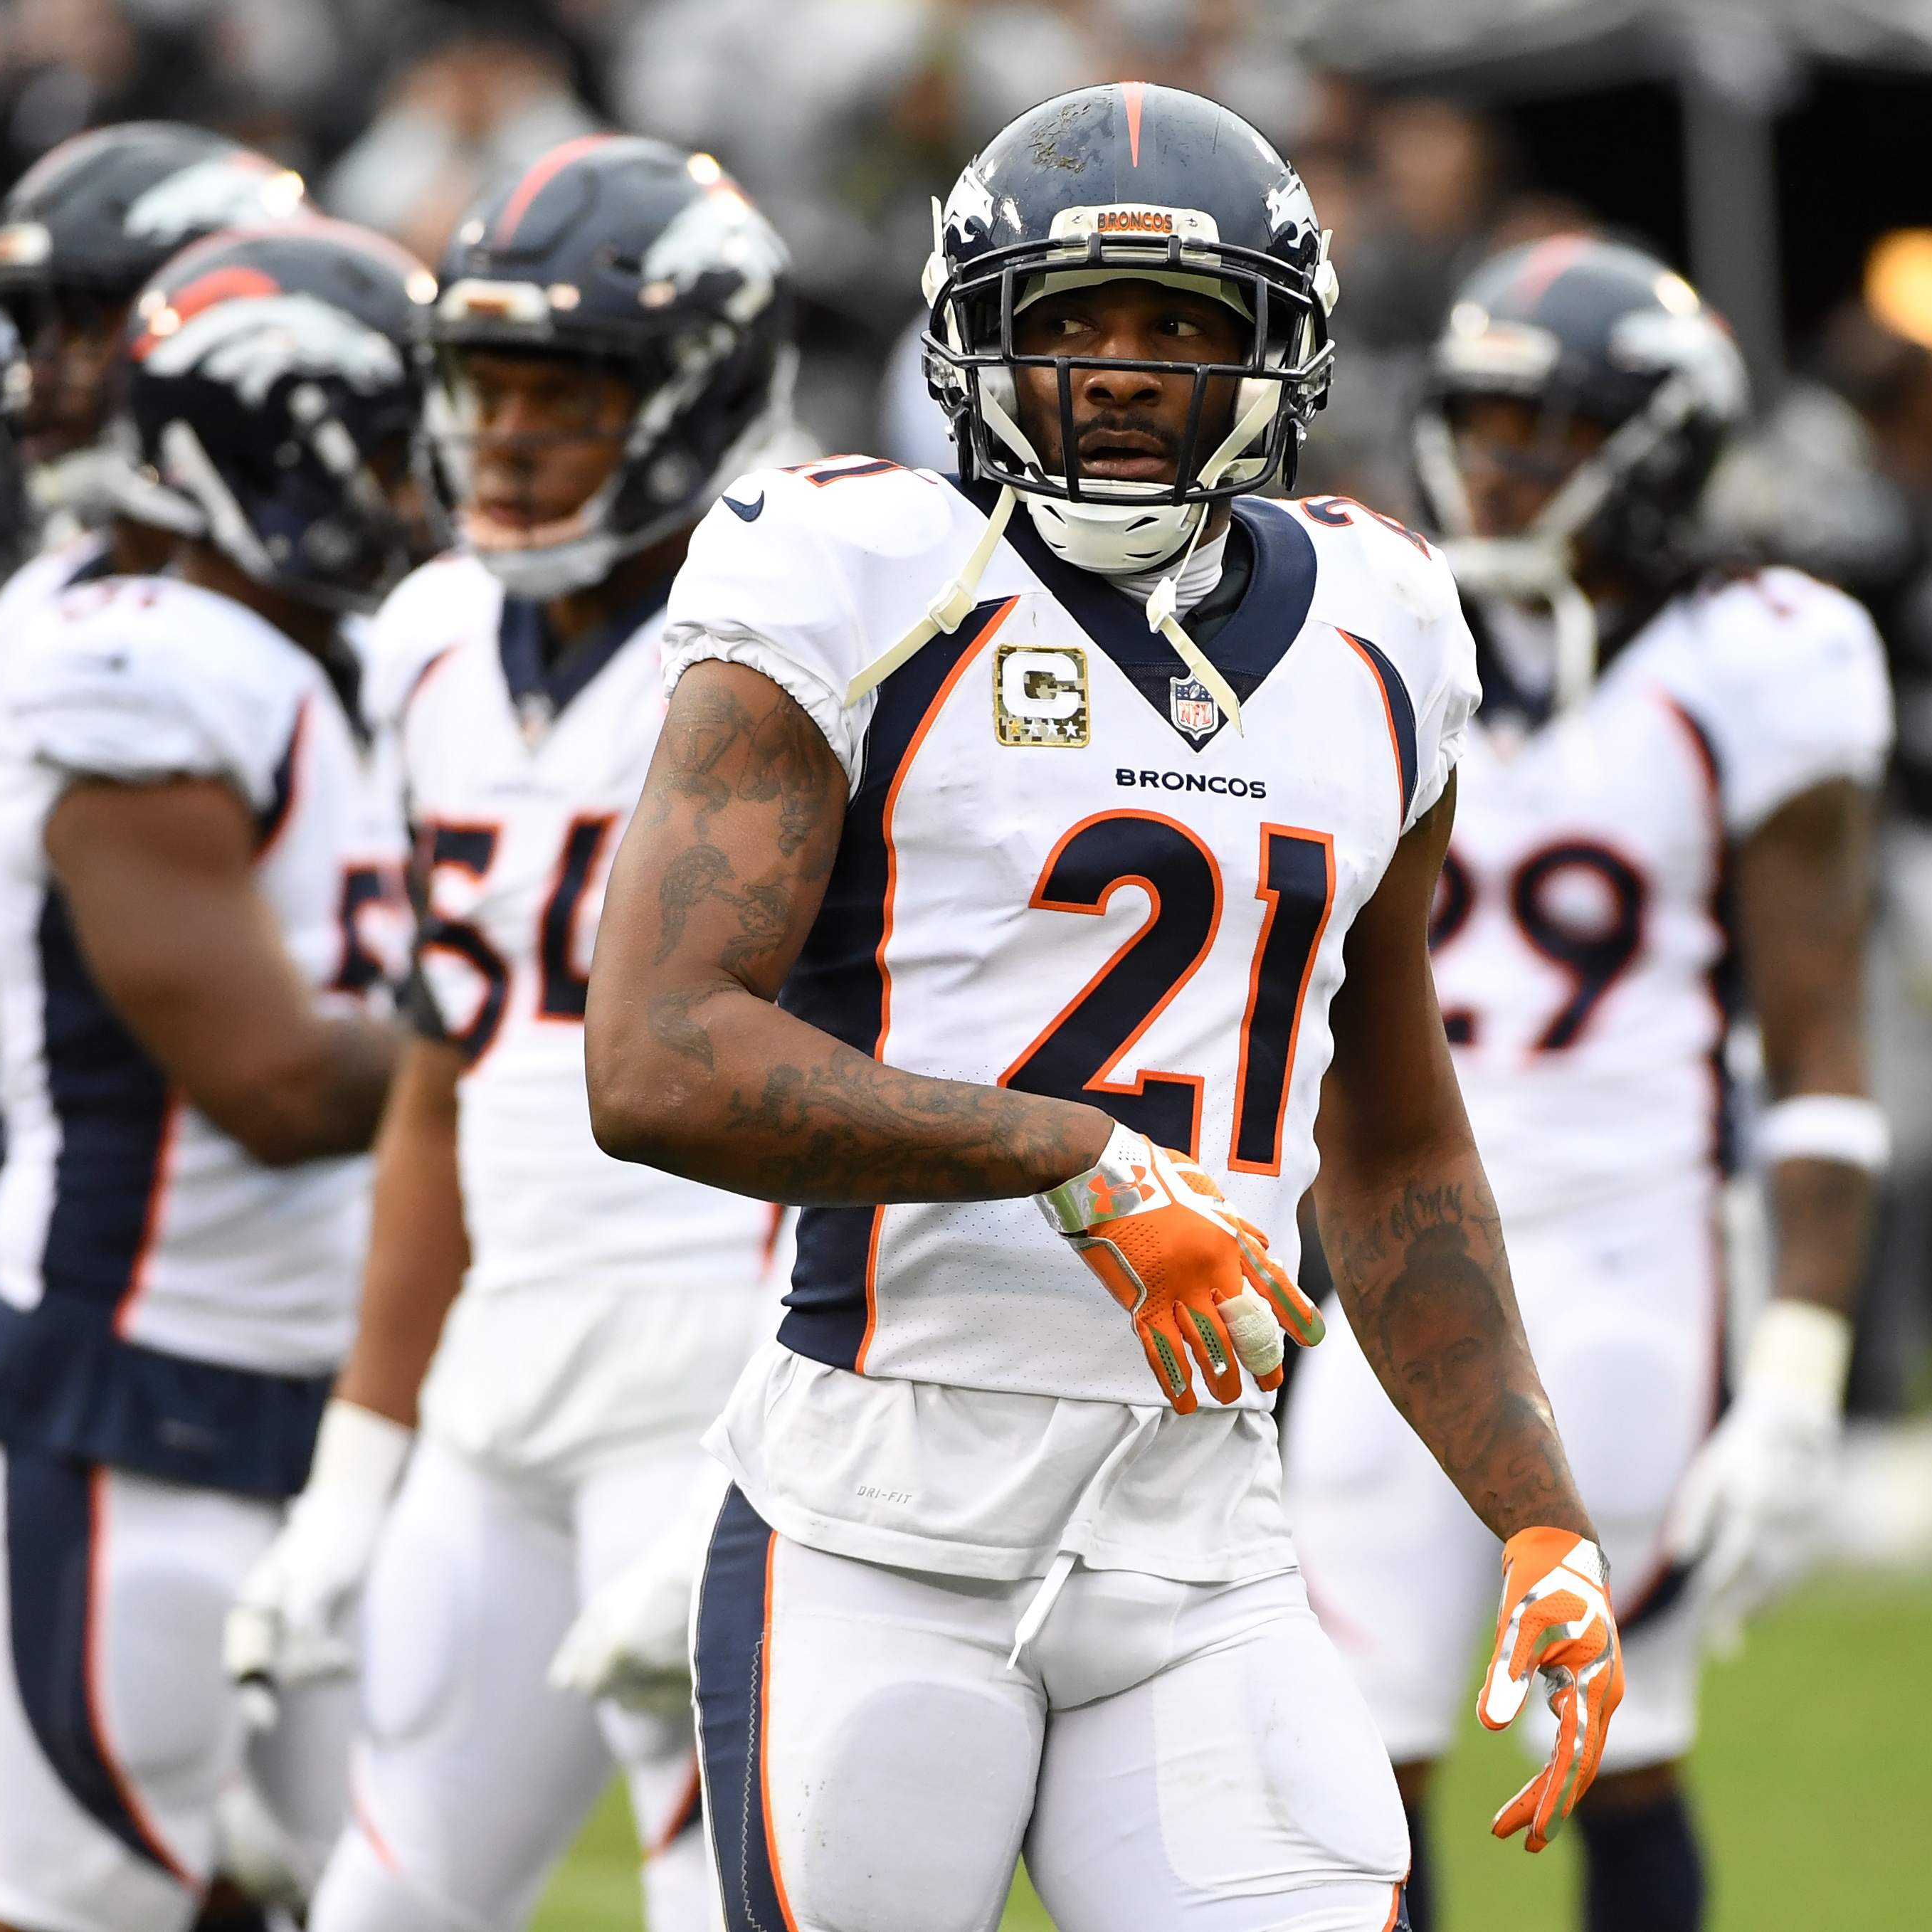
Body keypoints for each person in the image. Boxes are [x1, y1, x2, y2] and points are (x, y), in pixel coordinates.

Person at [564, 83, 1620, 1927]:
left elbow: (1385, 1122)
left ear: (1274, 359)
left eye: (1180, 329)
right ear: (980, 342)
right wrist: (1065, 1155)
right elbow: (654, 1057)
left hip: (1202, 1525)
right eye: (1071, 325)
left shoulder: (1386, 626)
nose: (1123, 371)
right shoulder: (858, 574)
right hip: (882, 1517)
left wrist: (1539, 1508)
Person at [221, 134, 813, 1932]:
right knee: (383, 1902)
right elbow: (442, 1072)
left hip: (717, 1358)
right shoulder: (421, 642)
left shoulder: (807, 627)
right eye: (485, 388)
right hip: (497, 1378)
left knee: (739, 1905)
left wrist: (767, 1452)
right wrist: (359, 1456)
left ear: (699, 394)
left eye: (565, 393)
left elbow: (890, 1055)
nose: (511, 438)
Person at [1282, 236, 1888, 1932]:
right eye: (1480, 418)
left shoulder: (1757, 653)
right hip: (1398, 1256)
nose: (1499, 461)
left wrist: (1799, 1355)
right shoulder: (1381, 622)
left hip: (1631, 1256)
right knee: (1351, 1741)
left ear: (1657, 446)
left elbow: (1821, 1035)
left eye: (1547, 426)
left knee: (1616, 1738)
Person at [0, 216, 429, 1932]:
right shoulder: (140, 657)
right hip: (130, 1382)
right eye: (378, 450)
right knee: (87, 1912)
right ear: (259, 445)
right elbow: (275, 1085)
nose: (414, 494)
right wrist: (542, 1035)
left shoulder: (322, 653)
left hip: (328, 1386)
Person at [0, 122, 307, 692]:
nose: (36, 375)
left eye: (87, 329)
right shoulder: (49, 589)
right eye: (35, 333)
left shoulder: (345, 598)